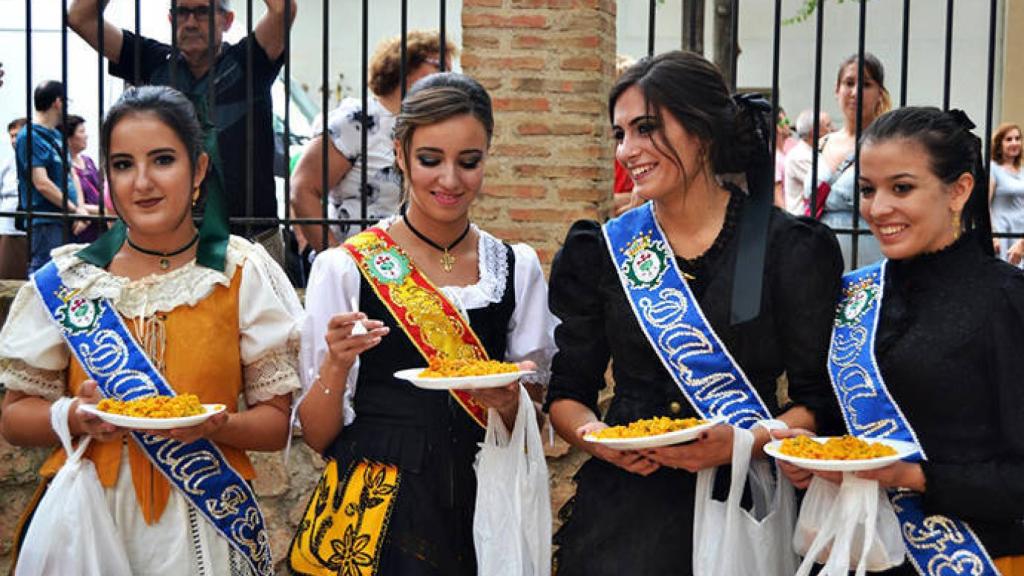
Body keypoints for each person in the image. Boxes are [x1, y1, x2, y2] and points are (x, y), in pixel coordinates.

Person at [545, 50, 843, 576]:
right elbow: (569, 395)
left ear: (703, 133)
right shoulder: (603, 250)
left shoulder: (784, 247)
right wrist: (600, 440)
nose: (628, 150)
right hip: (627, 512)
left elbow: (818, 402)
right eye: (620, 134)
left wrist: (747, 442)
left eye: (647, 128)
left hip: (749, 505)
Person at [0, 85, 302, 575]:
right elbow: (14, 419)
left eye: (162, 160)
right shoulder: (69, 280)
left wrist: (217, 425)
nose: (142, 182)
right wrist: (76, 414)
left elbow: (274, 424)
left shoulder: (239, 272)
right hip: (86, 523)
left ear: (199, 169)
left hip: (203, 522)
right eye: (122, 164)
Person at [289, 72, 557, 575]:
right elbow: (318, 436)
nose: (450, 180)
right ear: (399, 153)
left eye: (469, 162)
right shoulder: (347, 267)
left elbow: (530, 422)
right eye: (430, 160)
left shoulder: (515, 267)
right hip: (376, 515)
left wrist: (510, 404)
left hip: (485, 507)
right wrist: (334, 365)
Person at [781, 106, 1024, 575]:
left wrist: (911, 476)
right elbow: (843, 417)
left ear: (960, 190)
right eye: (869, 190)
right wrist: (809, 452)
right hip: (858, 551)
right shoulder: (854, 294)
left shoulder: (1006, 300)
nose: (877, 208)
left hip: (977, 555)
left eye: (902, 188)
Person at [68, 0, 298, 265]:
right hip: (169, 239)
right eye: (182, 12)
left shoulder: (249, 60)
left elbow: (283, 9)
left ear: (227, 20)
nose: (190, 22)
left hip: (251, 235)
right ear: (170, 19)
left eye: (202, 12)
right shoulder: (153, 61)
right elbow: (80, 18)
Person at [290, 31, 454, 252]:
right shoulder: (356, 121)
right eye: (439, 66)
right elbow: (302, 189)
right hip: (357, 266)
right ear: (406, 66)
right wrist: (335, 258)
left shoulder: (425, 128)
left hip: (411, 270)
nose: (447, 79)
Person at [805, 52, 891, 269]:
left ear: (880, 93)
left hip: (868, 260)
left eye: (866, 84)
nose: (855, 92)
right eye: (849, 83)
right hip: (817, 263)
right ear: (837, 90)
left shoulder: (887, 145)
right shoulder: (822, 144)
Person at [15, 81, 91, 275]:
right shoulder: (30, 136)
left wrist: (80, 208)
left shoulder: (56, 135)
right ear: (58, 102)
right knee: (44, 271)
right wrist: (75, 210)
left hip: (65, 216)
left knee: (64, 274)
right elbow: (41, 183)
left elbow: (71, 173)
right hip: (46, 218)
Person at [62, 114, 104, 242]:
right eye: (81, 132)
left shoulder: (88, 161)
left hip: (100, 225)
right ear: (68, 138)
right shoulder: (64, 166)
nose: (86, 135)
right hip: (81, 227)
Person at [784, 108, 833, 215]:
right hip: (802, 221)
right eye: (828, 125)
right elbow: (823, 184)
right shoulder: (799, 156)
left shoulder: (814, 151)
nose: (833, 129)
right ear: (814, 132)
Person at [988, 122, 1024, 263]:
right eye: (1009, 139)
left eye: (1017, 138)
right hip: (1001, 234)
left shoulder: (1023, 172)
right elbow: (985, 205)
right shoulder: (994, 169)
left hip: (1020, 236)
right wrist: (993, 234)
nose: (1014, 143)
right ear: (999, 144)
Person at [0, 118, 27, 279]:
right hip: (10, 225)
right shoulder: (7, 163)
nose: (14, 140)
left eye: (18, 135)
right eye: (12, 136)